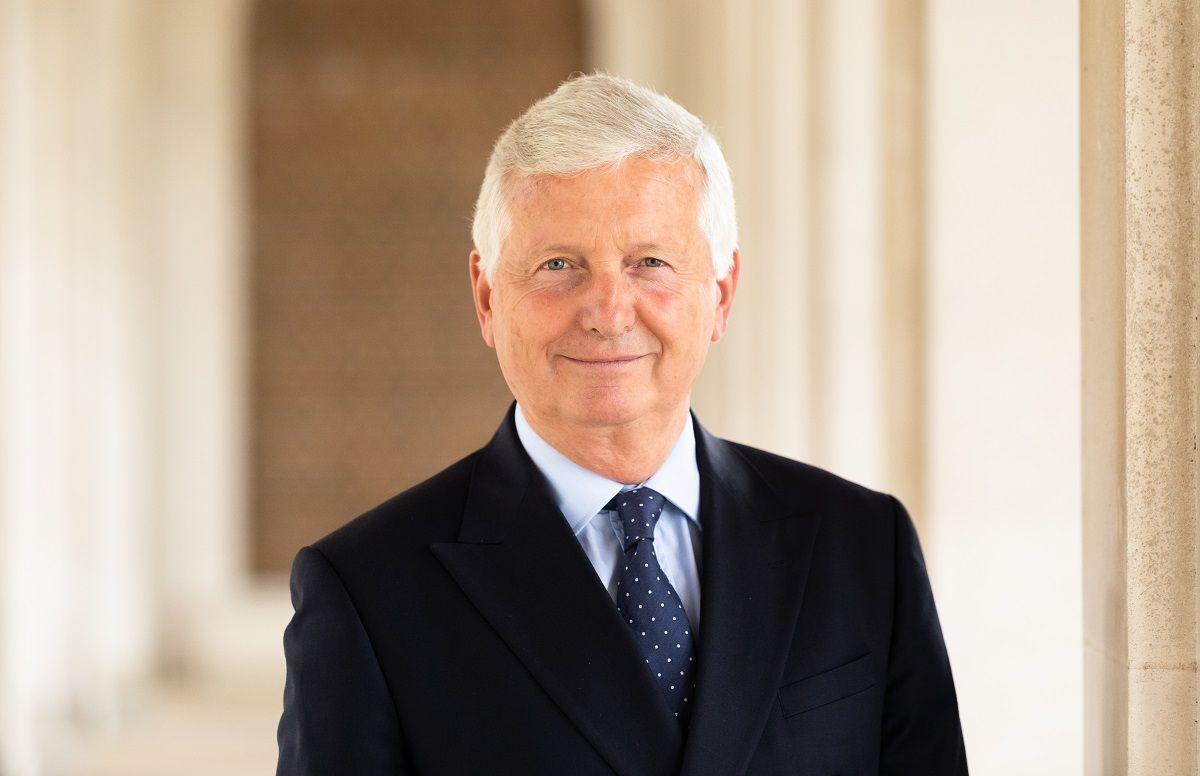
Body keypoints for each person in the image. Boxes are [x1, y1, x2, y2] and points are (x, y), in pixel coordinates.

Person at [275, 72, 968, 775]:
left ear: (721, 294)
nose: (608, 311)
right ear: (486, 298)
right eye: (558, 265)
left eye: (650, 263)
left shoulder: (862, 548)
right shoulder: (365, 591)